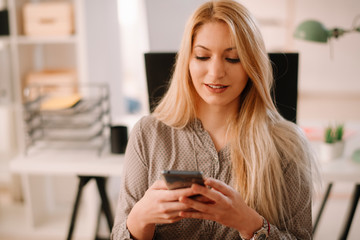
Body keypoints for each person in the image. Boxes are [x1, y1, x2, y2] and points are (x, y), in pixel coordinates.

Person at [111, 0, 319, 239]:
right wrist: (140, 218)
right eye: (202, 56)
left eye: (233, 58)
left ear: (252, 65)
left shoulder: (287, 144)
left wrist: (250, 223)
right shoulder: (148, 134)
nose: (216, 72)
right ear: (187, 60)